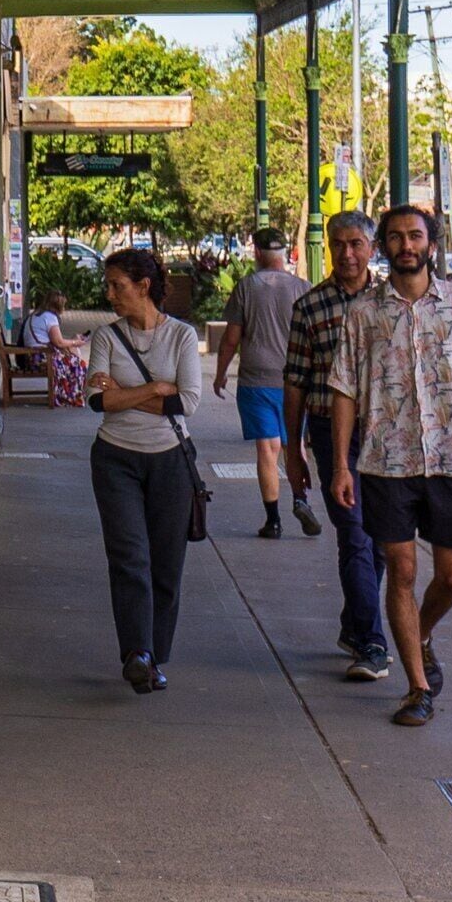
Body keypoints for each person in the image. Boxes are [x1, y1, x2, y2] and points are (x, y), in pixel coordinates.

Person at [324, 204, 452, 730]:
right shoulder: (363, 314)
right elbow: (342, 390)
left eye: (416, 236)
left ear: (432, 243)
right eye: (397, 238)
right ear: (385, 245)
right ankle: (417, 688)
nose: (407, 245)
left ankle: (421, 633)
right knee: (401, 570)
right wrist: (341, 464)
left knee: (451, 575)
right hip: (387, 459)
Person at [83, 245, 209, 695]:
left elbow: (188, 402)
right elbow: (97, 401)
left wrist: (127, 391)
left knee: (166, 563)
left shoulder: (179, 336)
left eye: (118, 286)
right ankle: (136, 653)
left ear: (144, 286)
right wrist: (155, 387)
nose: (111, 294)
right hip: (115, 458)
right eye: (109, 285)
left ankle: (156, 655)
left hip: (170, 461)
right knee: (130, 556)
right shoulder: (106, 338)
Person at [281, 214, 392, 681]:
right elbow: (295, 384)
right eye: (338, 245)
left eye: (356, 244)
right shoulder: (309, 307)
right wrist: (294, 451)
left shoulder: (393, 301)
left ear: (371, 248)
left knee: (384, 539)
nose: (347, 254)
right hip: (331, 435)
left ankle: (353, 622)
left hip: (387, 435)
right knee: (355, 533)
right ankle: (371, 642)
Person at [224, 228, 314, 539]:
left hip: (255, 380)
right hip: (295, 380)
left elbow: (231, 337)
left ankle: (273, 520)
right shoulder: (304, 288)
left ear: (258, 253)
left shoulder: (246, 287)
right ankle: (302, 500)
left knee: (267, 448)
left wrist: (221, 371)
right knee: (295, 445)